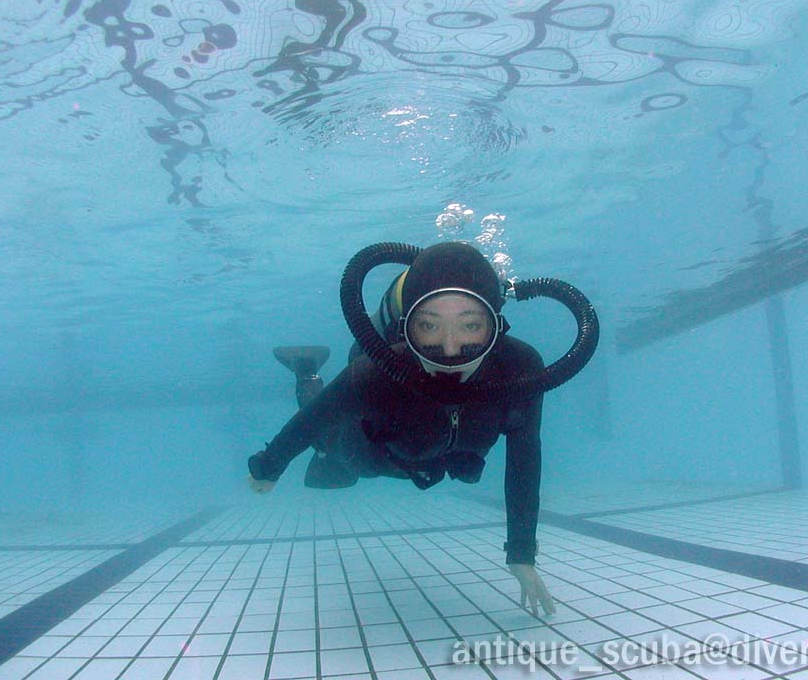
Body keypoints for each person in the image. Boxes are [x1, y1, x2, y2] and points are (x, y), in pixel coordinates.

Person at [248, 241, 599, 616]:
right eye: (429, 326)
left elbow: (524, 456)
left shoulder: (520, 369)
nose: (450, 350)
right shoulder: (378, 371)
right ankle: (306, 373)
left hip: (442, 458)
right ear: (406, 328)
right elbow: (313, 419)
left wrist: (522, 554)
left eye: (470, 325)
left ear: (496, 327)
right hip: (373, 455)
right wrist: (268, 465)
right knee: (327, 444)